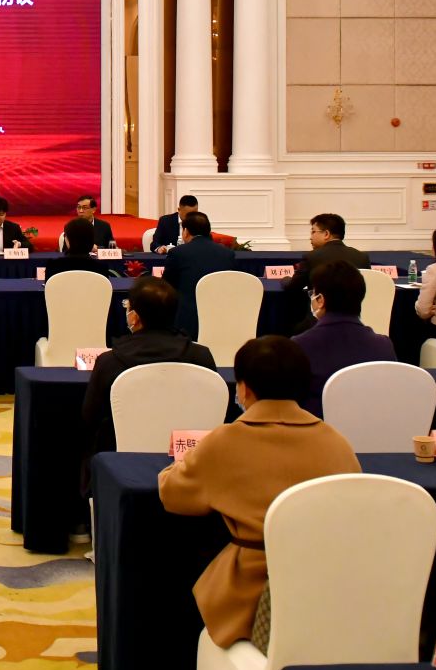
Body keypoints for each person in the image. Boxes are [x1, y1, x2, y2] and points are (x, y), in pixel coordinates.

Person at [158, 336, 361, 647]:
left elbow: (174, 495)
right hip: (328, 591)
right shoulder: (336, 442)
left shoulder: (226, 441)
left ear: (244, 389)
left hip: (247, 595)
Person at [82, 278, 216, 461]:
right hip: (188, 462)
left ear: (134, 317)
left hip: (123, 464)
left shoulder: (110, 362)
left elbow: (90, 418)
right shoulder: (202, 357)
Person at [289, 261, 397, 414]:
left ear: (320, 300)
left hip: (318, 426)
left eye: (313, 293)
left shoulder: (299, 346)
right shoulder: (384, 346)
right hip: (370, 424)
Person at [285, 212, 370, 333]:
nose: (310, 237)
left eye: (313, 232)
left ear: (326, 234)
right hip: (356, 323)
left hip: (319, 324)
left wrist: (285, 280)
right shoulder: (362, 257)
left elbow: (293, 287)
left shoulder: (312, 257)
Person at [163, 210, 239, 341]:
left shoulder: (178, 253)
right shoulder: (227, 254)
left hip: (187, 324)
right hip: (221, 320)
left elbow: (166, 286)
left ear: (186, 232)